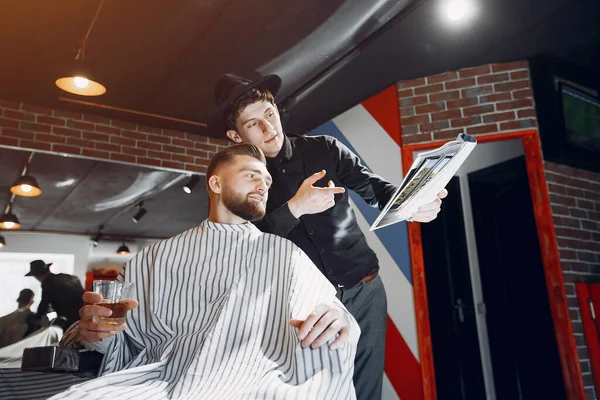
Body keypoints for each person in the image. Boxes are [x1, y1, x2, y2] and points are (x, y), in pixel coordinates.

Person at [53, 144, 359, 400]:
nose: (263, 186)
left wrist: (340, 318)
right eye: (252, 176)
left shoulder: (285, 253)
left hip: (262, 384)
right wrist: (96, 336)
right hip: (162, 383)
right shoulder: (154, 258)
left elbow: (333, 316)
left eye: (266, 181)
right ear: (216, 183)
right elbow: (120, 344)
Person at [210, 73, 448, 400]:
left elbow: (377, 189)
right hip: (307, 308)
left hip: (365, 290)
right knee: (320, 391)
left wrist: (414, 204)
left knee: (366, 390)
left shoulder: (325, 149)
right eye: (253, 124)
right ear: (235, 136)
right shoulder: (241, 184)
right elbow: (242, 242)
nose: (268, 128)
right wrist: (295, 207)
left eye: (269, 113)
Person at [26, 259, 84, 328]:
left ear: (37, 275)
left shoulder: (48, 283)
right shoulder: (71, 278)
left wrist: (36, 318)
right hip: (84, 315)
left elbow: (44, 303)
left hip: (70, 321)